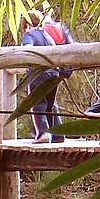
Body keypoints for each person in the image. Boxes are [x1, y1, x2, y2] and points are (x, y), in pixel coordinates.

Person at [21, 10, 63, 143]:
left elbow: (27, 50)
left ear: (27, 24)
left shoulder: (29, 34)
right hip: (54, 73)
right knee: (51, 104)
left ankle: (42, 133)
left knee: (37, 103)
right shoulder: (47, 35)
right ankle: (58, 134)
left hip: (38, 74)